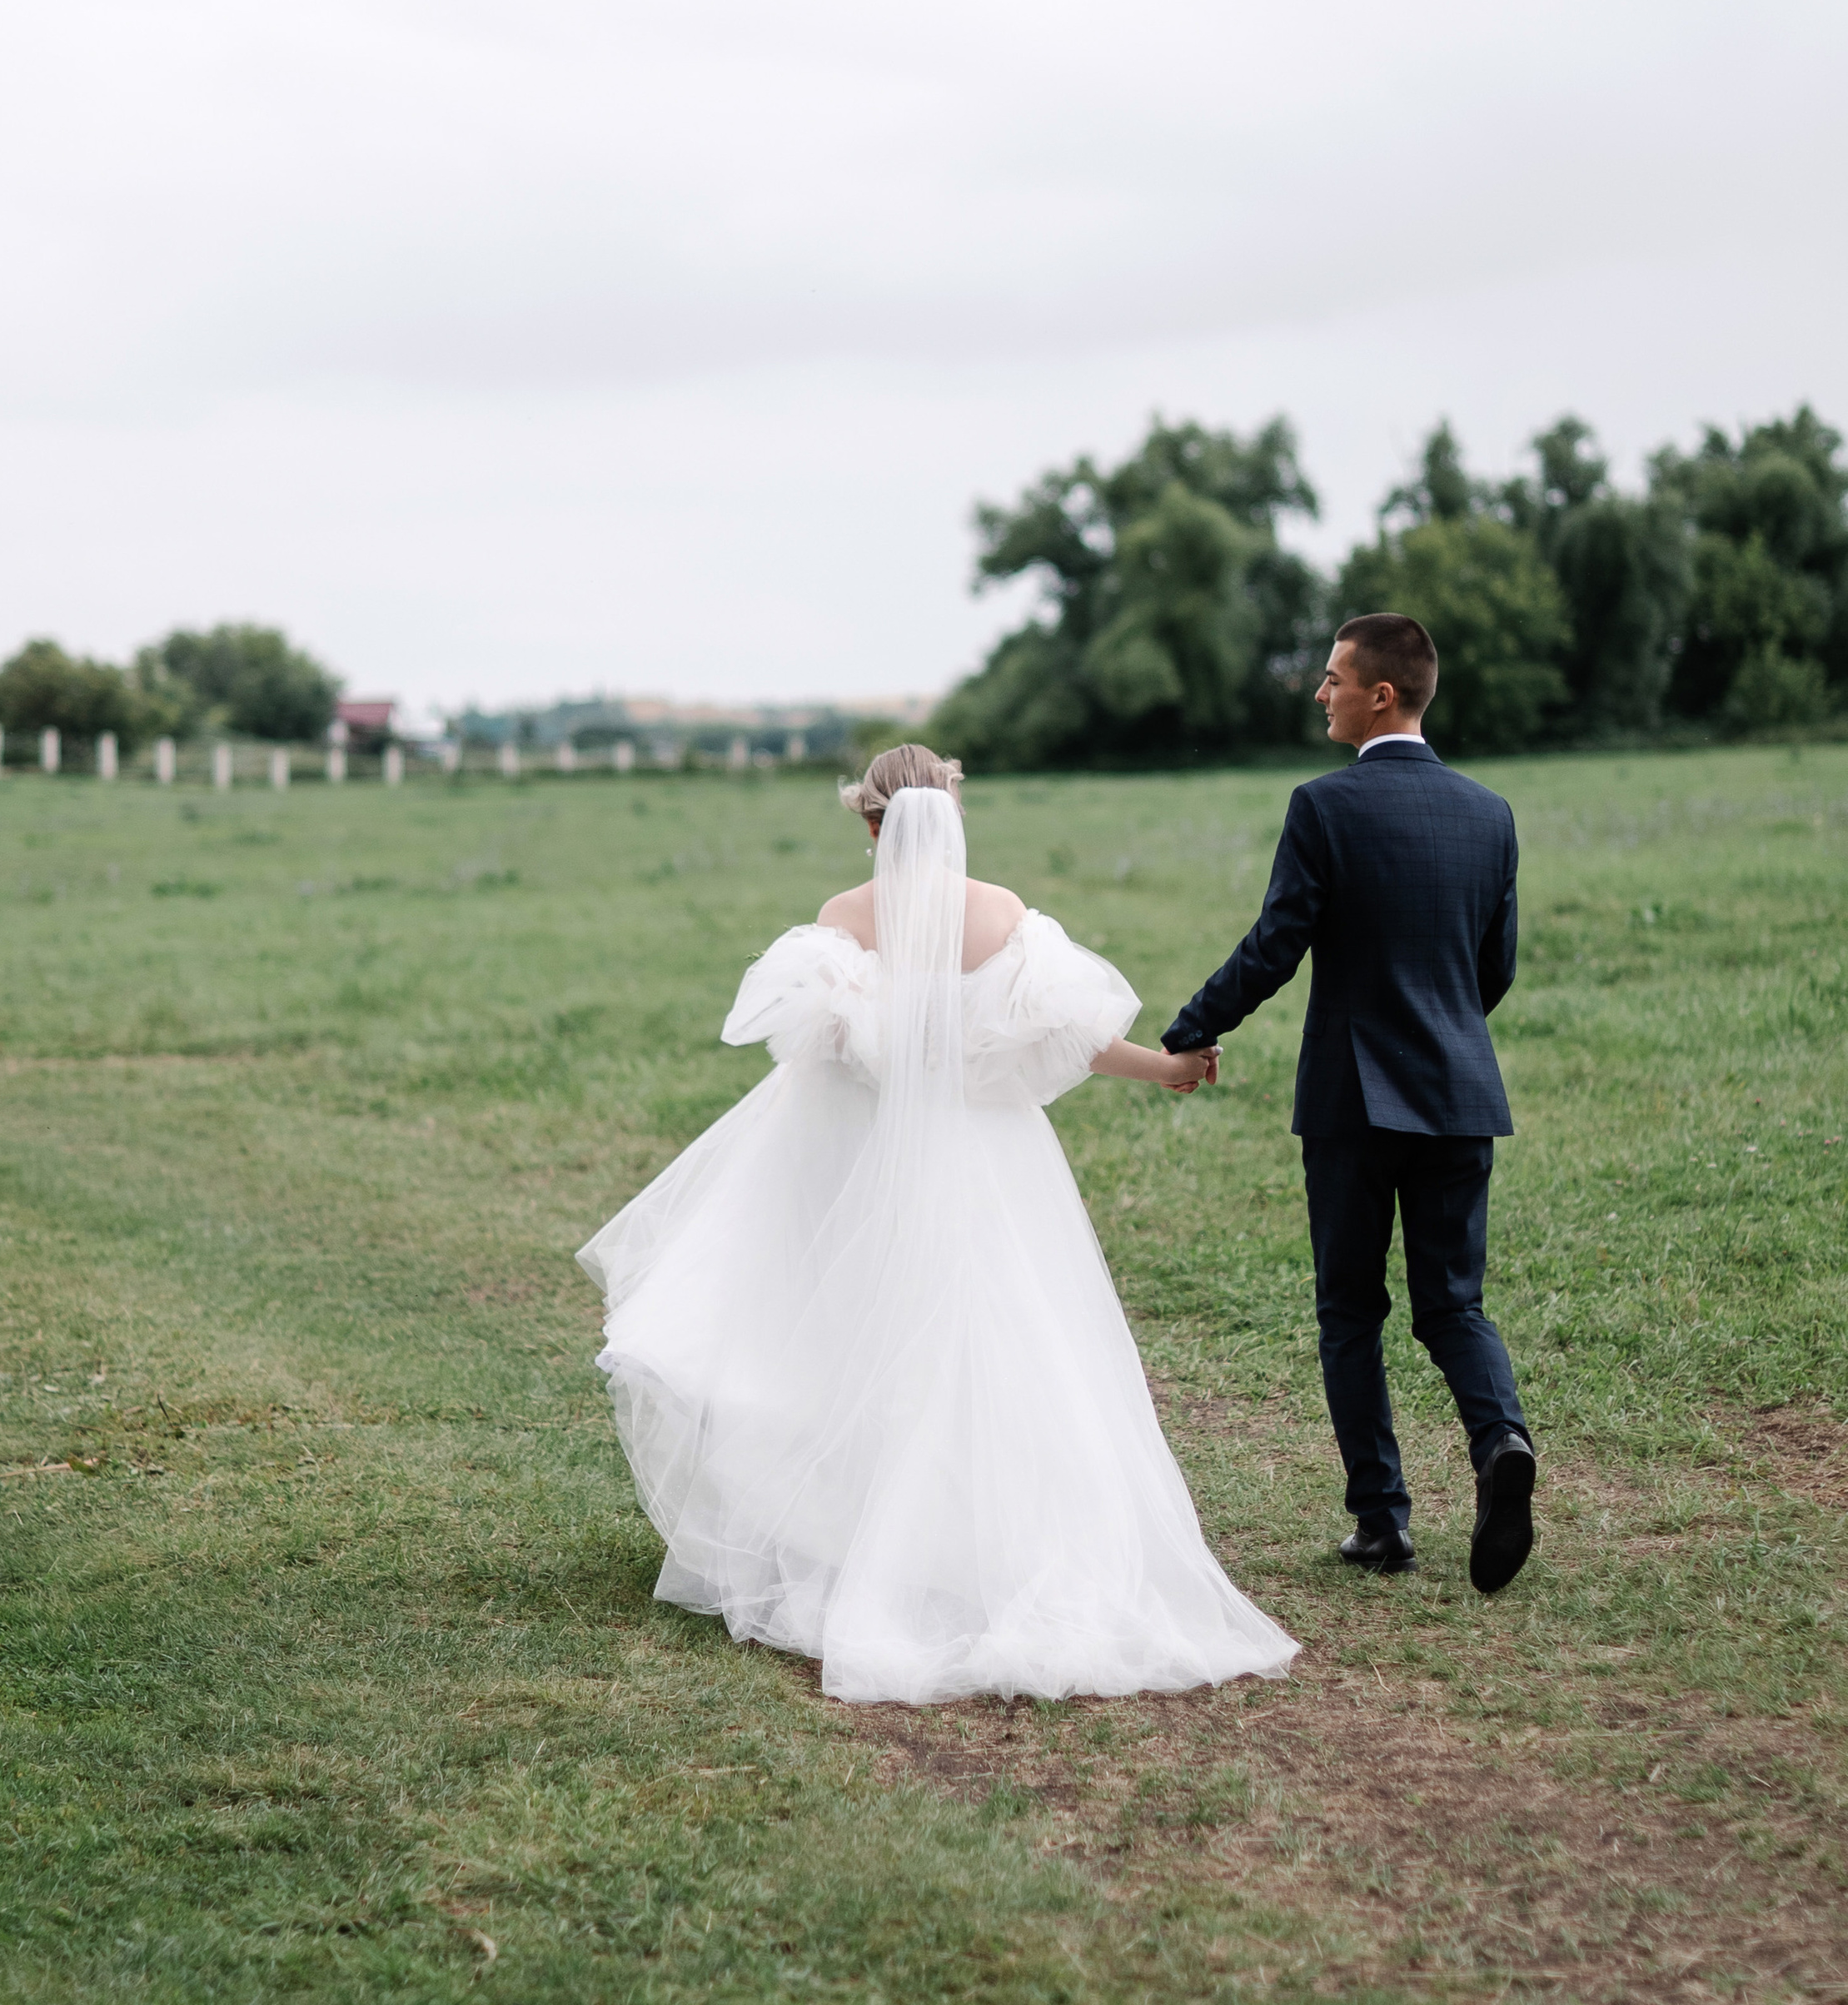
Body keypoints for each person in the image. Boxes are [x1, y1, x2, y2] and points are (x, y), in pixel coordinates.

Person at [578, 744, 1297, 1704]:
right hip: (987, 1167)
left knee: (840, 1342)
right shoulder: (1001, 917)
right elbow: (1072, 1040)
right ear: (951, 815)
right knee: (1002, 1347)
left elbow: (816, 1057)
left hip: (860, 1165)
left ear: (871, 823)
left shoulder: (842, 920)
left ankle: (847, 1543)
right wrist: (1166, 1067)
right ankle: (986, 1548)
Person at [1159, 615, 1537, 1593]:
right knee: (1453, 1305)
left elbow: (1274, 945)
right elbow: (1489, 972)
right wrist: (1442, 1034)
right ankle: (1500, 1444)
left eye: (1332, 680)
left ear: (1381, 694)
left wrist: (1191, 1026)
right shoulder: (1489, 814)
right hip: (1459, 1095)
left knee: (1349, 1313)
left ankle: (1382, 1522)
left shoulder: (1323, 807)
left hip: (1352, 1104)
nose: (1319, 695)